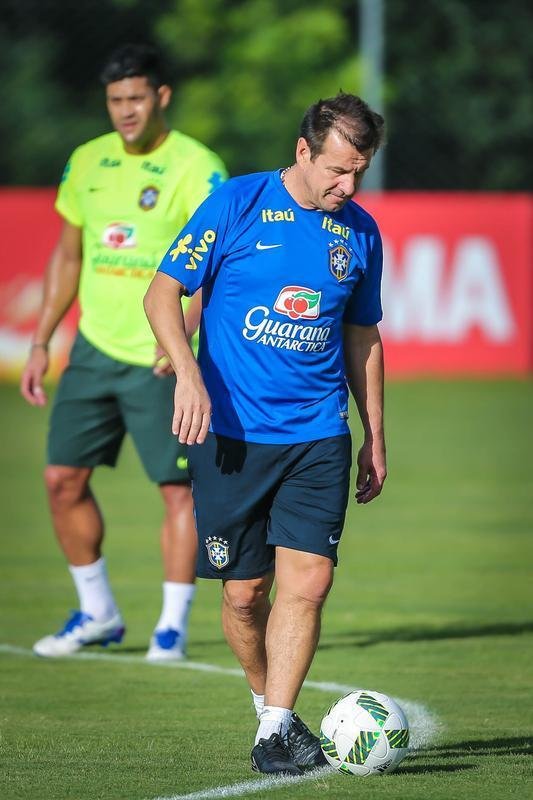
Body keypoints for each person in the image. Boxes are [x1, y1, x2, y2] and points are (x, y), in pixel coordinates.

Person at [144, 93, 386, 773]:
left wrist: (373, 434)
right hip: (229, 435)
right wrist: (188, 375)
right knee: (244, 595)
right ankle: (269, 710)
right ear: (303, 151)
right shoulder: (237, 203)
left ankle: (275, 730)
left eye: (359, 172)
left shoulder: (361, 233)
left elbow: (362, 336)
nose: (348, 186)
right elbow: (161, 294)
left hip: (318, 434)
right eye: (337, 170)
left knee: (309, 583)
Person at [20, 43, 227, 662]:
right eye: (115, 100)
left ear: (161, 96)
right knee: (61, 480)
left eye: (136, 97)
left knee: (177, 490)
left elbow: (216, 266)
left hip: (160, 358)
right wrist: (41, 340)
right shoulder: (87, 160)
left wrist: (182, 336)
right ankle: (97, 612)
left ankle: (171, 627)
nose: (126, 111)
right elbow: (68, 256)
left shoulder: (198, 166)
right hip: (92, 351)